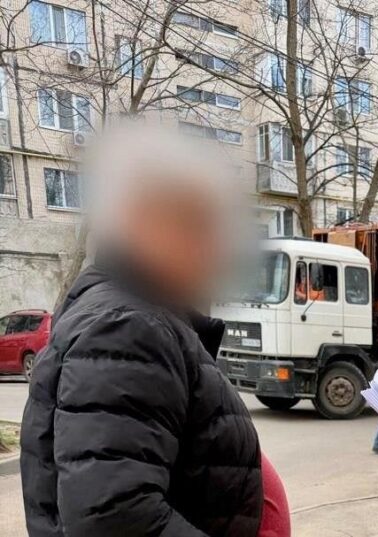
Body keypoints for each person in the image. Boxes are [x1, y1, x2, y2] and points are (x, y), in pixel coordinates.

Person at [19, 125, 290, 537]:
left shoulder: (134, 315)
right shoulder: (126, 327)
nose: (217, 249)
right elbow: (114, 518)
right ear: (140, 221)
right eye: (196, 226)